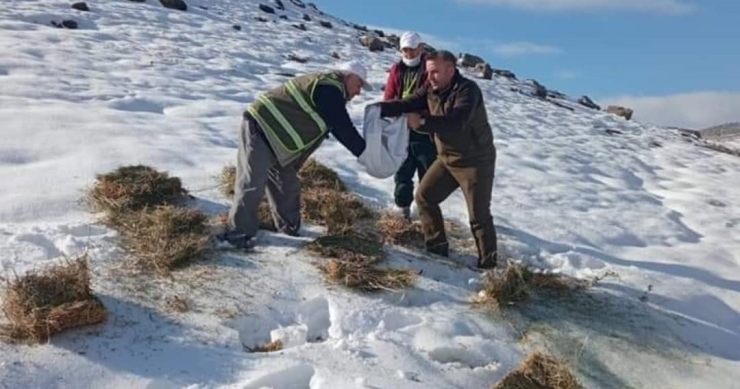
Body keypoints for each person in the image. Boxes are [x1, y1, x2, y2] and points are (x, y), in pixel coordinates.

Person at [224, 61, 372, 250]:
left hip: (280, 142)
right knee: (252, 183)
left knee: (287, 185)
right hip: (261, 128)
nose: (359, 92)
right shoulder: (328, 87)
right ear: (348, 76)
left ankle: (289, 230)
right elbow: (342, 127)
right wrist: (365, 153)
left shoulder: (331, 90)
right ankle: (237, 234)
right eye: (359, 85)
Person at [377, 50, 498, 269]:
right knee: (425, 197)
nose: (429, 76)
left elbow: (456, 122)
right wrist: (380, 109)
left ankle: (489, 267)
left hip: (475, 161)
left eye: (434, 72)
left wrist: (422, 122)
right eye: (428, 71)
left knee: (478, 215)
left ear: (450, 70)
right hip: (447, 158)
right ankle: (437, 250)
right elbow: (409, 102)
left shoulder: (468, 91)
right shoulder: (431, 88)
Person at [383, 32, 437, 220]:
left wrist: (419, 116)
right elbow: (389, 96)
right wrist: (394, 112)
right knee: (403, 171)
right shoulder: (397, 69)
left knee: (427, 172)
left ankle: (426, 212)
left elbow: (433, 100)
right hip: (402, 129)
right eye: (405, 50)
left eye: (412, 50)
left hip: (424, 131)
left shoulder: (429, 70)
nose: (409, 54)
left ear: (420, 49)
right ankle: (402, 208)